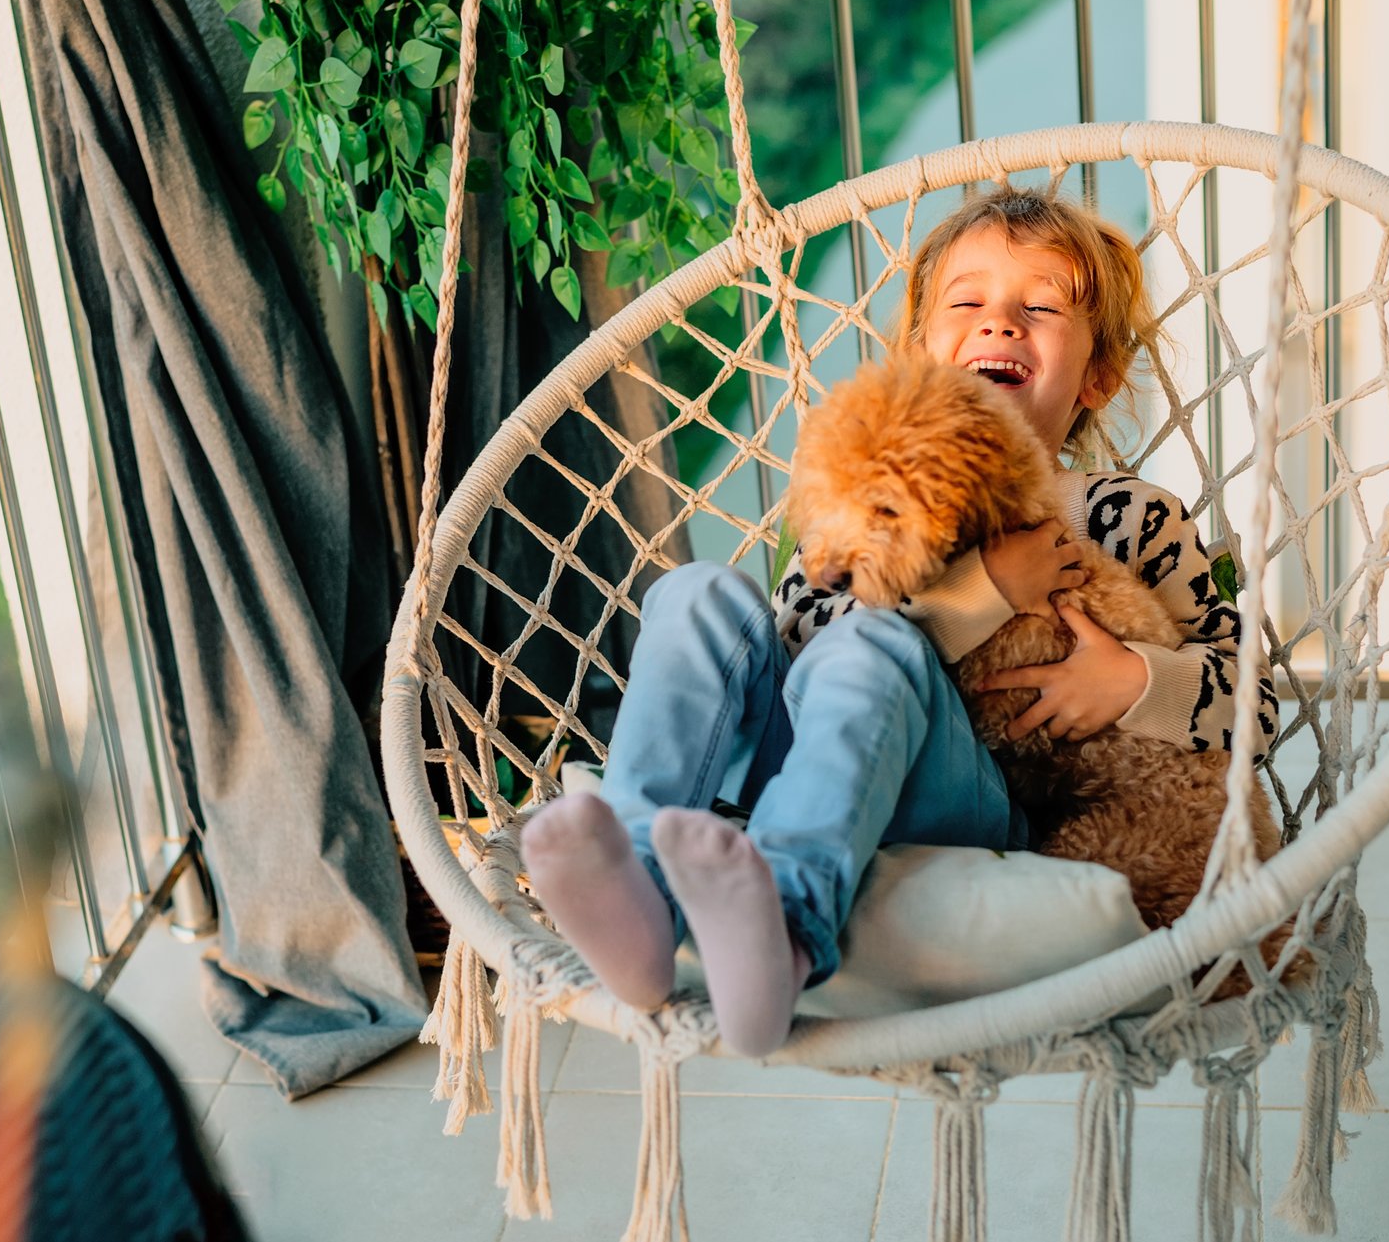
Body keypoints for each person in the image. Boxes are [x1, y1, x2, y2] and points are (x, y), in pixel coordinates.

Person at [522, 186, 1279, 1056]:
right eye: (968, 302)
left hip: (965, 800)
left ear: (1097, 377)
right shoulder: (857, 488)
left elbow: (1253, 703)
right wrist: (986, 592)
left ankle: (788, 929)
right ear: (919, 355)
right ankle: (636, 880)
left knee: (876, 640)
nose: (1000, 322)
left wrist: (1135, 679)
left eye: (1039, 308)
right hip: (811, 765)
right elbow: (805, 646)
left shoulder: (1129, 517)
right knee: (694, 592)